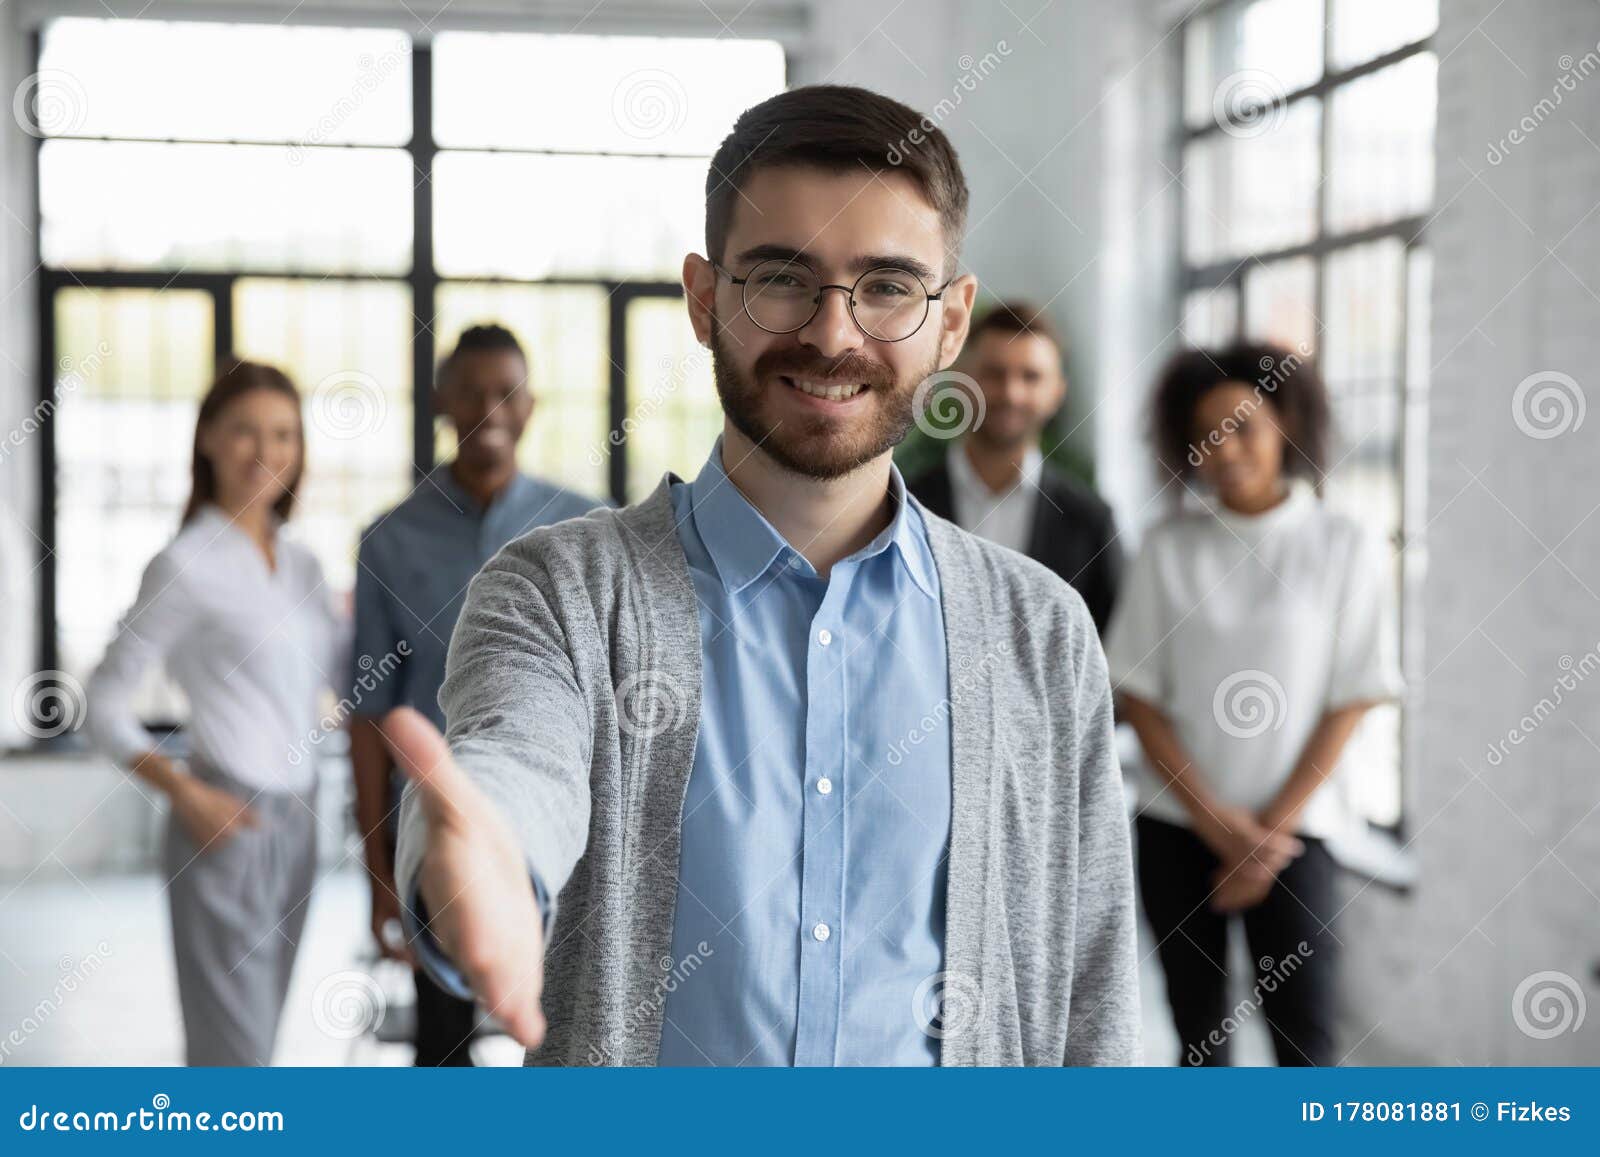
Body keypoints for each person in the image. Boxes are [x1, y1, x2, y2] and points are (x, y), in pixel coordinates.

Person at [383, 84, 1140, 1067]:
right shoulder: (556, 591)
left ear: (950, 321)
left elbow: (1090, 990)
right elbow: (516, 760)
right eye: (782, 277)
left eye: (886, 286)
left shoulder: (1039, 627)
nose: (832, 334)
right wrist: (481, 860)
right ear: (703, 299)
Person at [1104, 344, 1403, 1067]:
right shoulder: (1168, 548)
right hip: (1178, 830)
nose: (1225, 448)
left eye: (1244, 427)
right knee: (1200, 1040)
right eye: (1206, 433)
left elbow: (1352, 697)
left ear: (1286, 428)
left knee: (1308, 1041)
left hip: (1298, 835)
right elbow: (1139, 695)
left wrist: (1263, 837)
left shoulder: (1342, 544)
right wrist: (1218, 826)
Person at [348, 323, 603, 1066]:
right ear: (440, 401)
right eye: (470, 391)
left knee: (571, 1044)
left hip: (566, 829)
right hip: (436, 836)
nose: (489, 409)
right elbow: (370, 716)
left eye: (507, 392)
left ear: (533, 406)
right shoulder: (389, 541)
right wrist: (377, 871)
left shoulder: (588, 528)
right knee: (442, 1053)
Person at [86, 359, 348, 1066]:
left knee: (258, 1046)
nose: (266, 452)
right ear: (206, 438)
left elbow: (339, 681)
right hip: (222, 818)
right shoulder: (184, 563)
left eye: (284, 433)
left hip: (302, 821)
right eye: (244, 431)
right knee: (234, 1059)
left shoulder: (303, 566)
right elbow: (102, 702)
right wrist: (183, 791)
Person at [908, 301, 1122, 632]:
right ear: (961, 380)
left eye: (1031, 377)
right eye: (994, 373)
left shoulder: (1089, 521)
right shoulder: (905, 506)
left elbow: (1105, 655)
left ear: (1056, 393)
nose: (1011, 393)